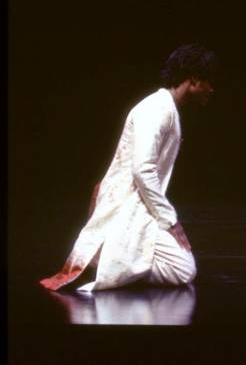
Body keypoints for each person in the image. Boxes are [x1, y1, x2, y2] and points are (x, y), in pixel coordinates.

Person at [40, 44, 218, 292]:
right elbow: (142, 169)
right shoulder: (157, 108)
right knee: (183, 269)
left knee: (182, 266)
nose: (212, 89)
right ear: (194, 80)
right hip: (129, 200)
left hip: (139, 201)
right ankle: (107, 258)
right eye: (209, 82)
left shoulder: (165, 108)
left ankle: (115, 256)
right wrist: (170, 221)